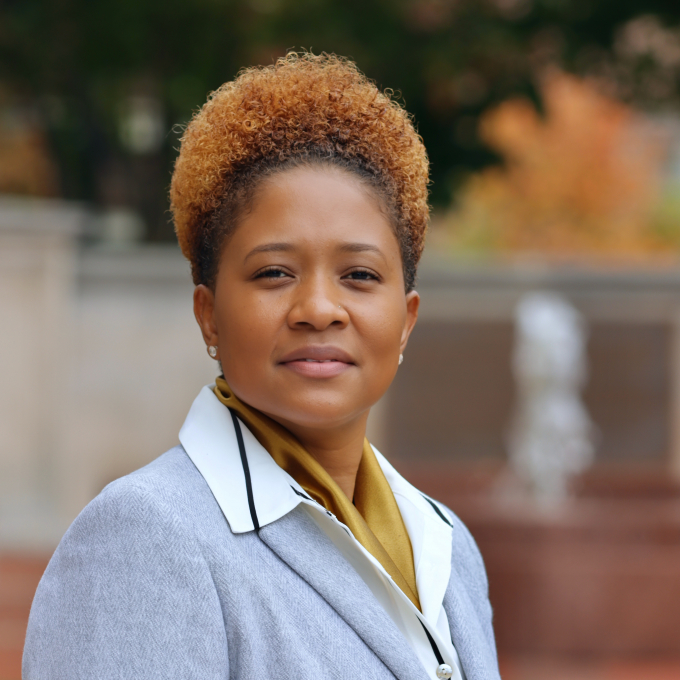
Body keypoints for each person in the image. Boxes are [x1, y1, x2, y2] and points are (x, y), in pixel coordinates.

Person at [23, 53, 499, 680]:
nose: (320, 309)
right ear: (209, 316)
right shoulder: (144, 539)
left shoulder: (448, 544)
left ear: (406, 319)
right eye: (274, 273)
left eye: (359, 275)